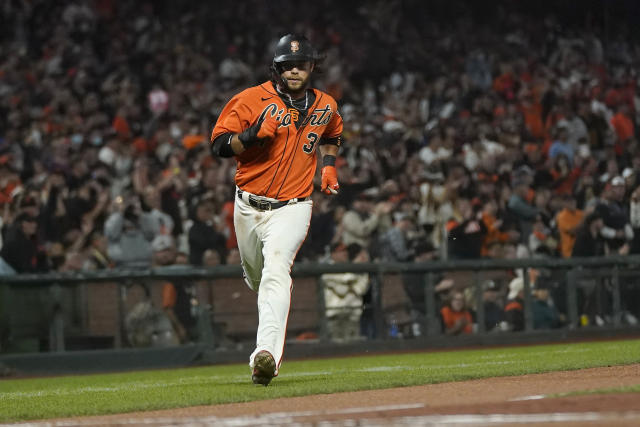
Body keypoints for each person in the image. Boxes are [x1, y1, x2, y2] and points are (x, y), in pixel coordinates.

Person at [210, 34, 343, 385]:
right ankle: (259, 282)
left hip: (294, 206)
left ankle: (264, 356)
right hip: (248, 206)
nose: (295, 70)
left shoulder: (326, 104)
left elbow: (332, 133)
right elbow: (219, 145)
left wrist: (328, 166)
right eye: (288, 65)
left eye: (301, 64)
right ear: (277, 67)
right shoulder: (251, 99)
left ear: (312, 66)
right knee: (258, 276)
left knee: (276, 269)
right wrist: (251, 135)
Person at [321, 243, 370, 342]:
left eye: (345, 251)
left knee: (354, 349)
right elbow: (341, 291)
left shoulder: (354, 267)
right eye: (340, 251)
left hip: (353, 313)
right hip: (334, 314)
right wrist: (353, 278)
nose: (344, 253)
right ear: (333, 254)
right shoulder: (326, 268)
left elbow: (360, 289)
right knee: (335, 349)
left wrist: (346, 281)